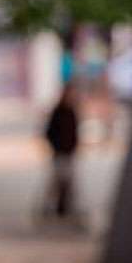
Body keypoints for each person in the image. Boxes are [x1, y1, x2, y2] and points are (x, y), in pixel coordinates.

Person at [41, 84, 79, 217]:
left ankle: (64, 208)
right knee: (56, 182)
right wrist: (56, 147)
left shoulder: (72, 112)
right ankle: (48, 208)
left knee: (68, 182)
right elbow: (49, 132)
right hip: (59, 153)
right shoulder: (58, 111)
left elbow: (75, 133)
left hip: (69, 153)